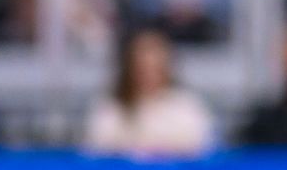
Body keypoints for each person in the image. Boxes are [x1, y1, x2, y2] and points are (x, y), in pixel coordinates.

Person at [81, 27, 217, 159]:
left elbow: (202, 151)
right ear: (130, 66)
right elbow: (95, 153)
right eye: (142, 66)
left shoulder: (186, 106)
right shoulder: (111, 108)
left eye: (154, 67)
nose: (148, 74)